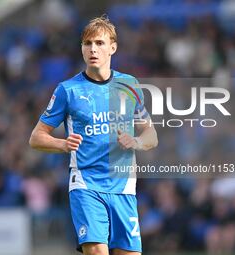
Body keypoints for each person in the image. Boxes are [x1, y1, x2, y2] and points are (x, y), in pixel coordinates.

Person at [29, 16, 158, 255]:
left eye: (99, 43)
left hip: (124, 188)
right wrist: (62, 144)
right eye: (87, 44)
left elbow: (151, 134)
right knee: (98, 251)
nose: (93, 49)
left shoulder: (129, 85)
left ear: (113, 47)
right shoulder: (68, 90)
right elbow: (36, 137)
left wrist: (136, 141)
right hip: (86, 185)